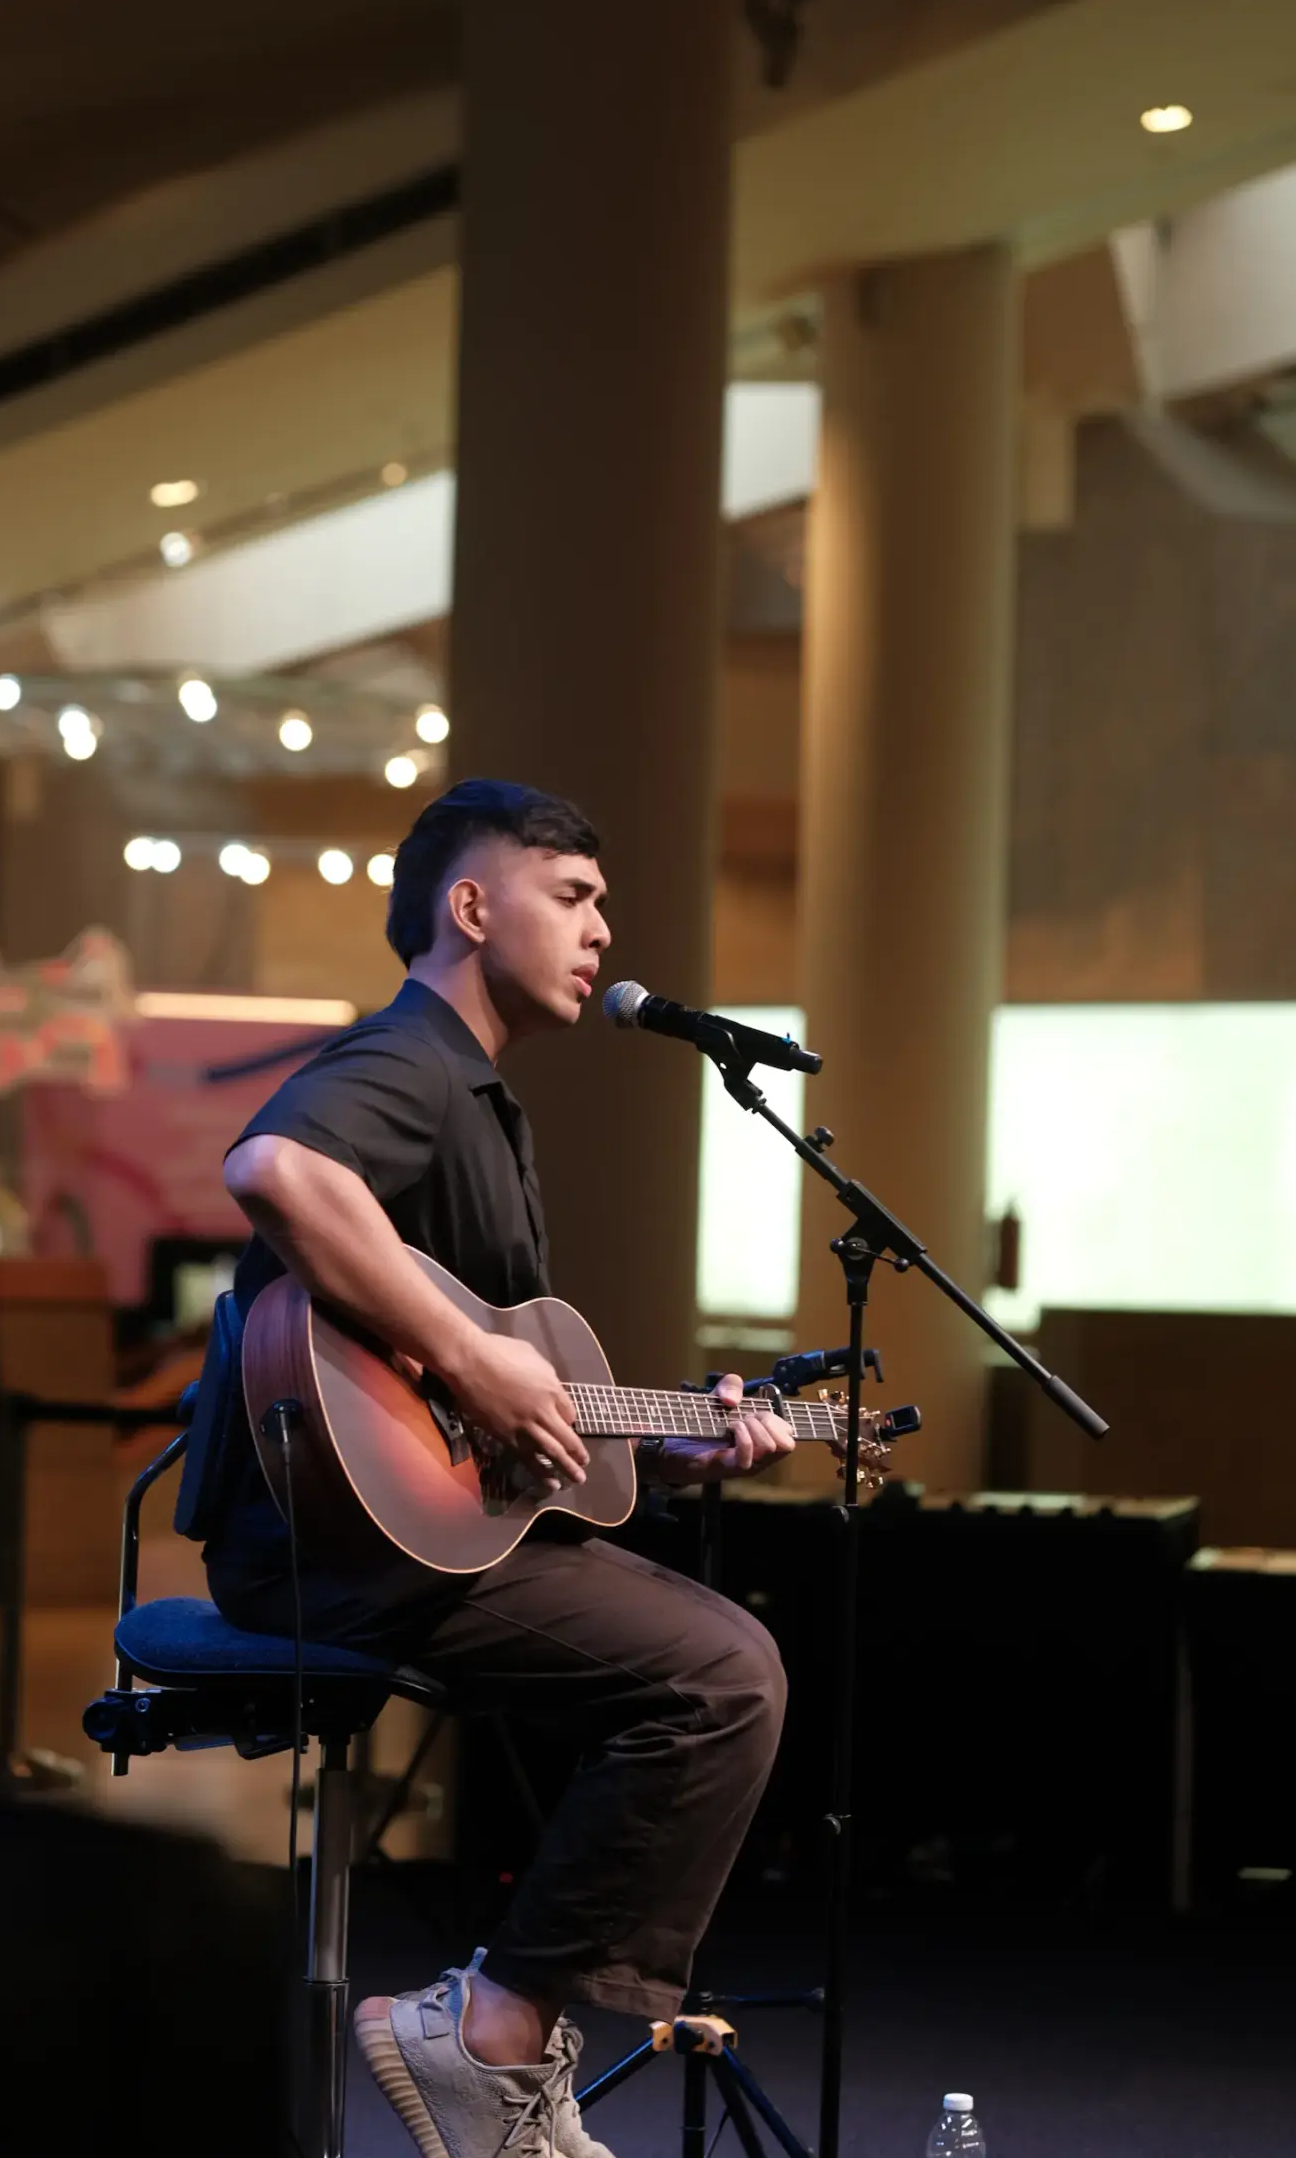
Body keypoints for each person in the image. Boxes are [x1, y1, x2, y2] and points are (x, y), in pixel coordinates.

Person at [201, 778, 794, 2158]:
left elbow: (497, 1433)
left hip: (399, 1534)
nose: (602, 930)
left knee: (720, 1660)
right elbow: (275, 1168)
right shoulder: (410, 1061)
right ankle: (492, 2030)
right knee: (721, 1675)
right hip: (327, 1553)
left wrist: (669, 1453)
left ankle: (504, 2035)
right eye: (573, 896)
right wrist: (471, 1360)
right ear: (470, 907)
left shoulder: (481, 1101)